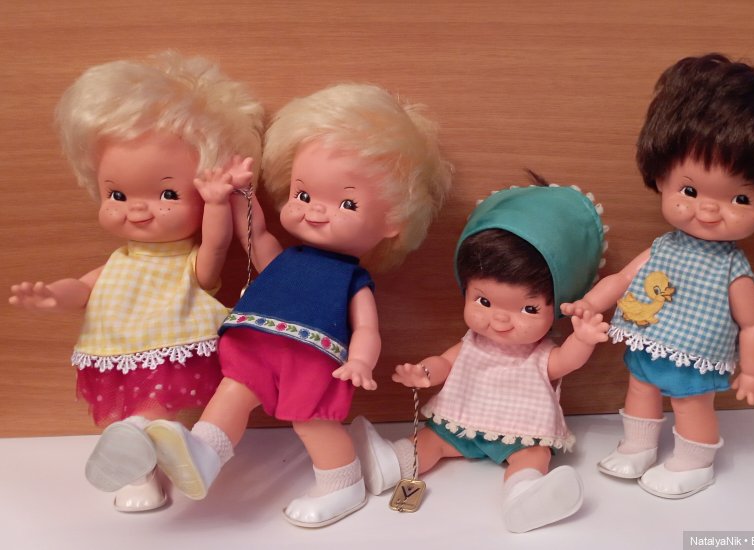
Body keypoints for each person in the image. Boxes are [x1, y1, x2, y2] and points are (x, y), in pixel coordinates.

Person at [143, 83, 453, 527]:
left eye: (346, 203)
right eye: (303, 195)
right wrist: (241, 194)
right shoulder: (285, 258)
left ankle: (342, 483)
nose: (314, 211)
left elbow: (367, 327)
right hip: (261, 350)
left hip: (313, 361)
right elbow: (256, 236)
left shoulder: (352, 279)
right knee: (232, 391)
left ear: (392, 222)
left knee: (312, 420)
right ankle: (204, 454)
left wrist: (361, 362)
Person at [8, 51, 264, 511]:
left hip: (171, 347)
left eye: (167, 193)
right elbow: (83, 287)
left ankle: (135, 443)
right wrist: (53, 296)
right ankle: (138, 475)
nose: (138, 209)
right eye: (117, 194)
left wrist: (216, 203)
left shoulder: (189, 264)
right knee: (124, 411)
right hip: (113, 350)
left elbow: (217, 247)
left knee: (146, 411)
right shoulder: (117, 262)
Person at [562, 53, 754, 499]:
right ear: (661, 177)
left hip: (696, 354)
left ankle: (693, 461)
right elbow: (623, 279)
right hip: (649, 339)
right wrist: (590, 303)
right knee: (640, 387)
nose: (707, 209)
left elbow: (753, 324)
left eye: (740, 199)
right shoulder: (663, 247)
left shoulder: (732, 269)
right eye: (690, 189)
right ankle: (638, 446)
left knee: (690, 403)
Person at [352, 177, 608, 533]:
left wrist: (583, 339)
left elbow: (566, 360)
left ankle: (524, 495)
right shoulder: (472, 342)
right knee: (431, 441)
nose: (500, 320)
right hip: (461, 423)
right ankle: (391, 465)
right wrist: (424, 373)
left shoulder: (540, 354)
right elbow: (446, 362)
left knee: (534, 456)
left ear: (559, 305)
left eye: (529, 309)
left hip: (521, 433)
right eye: (484, 301)